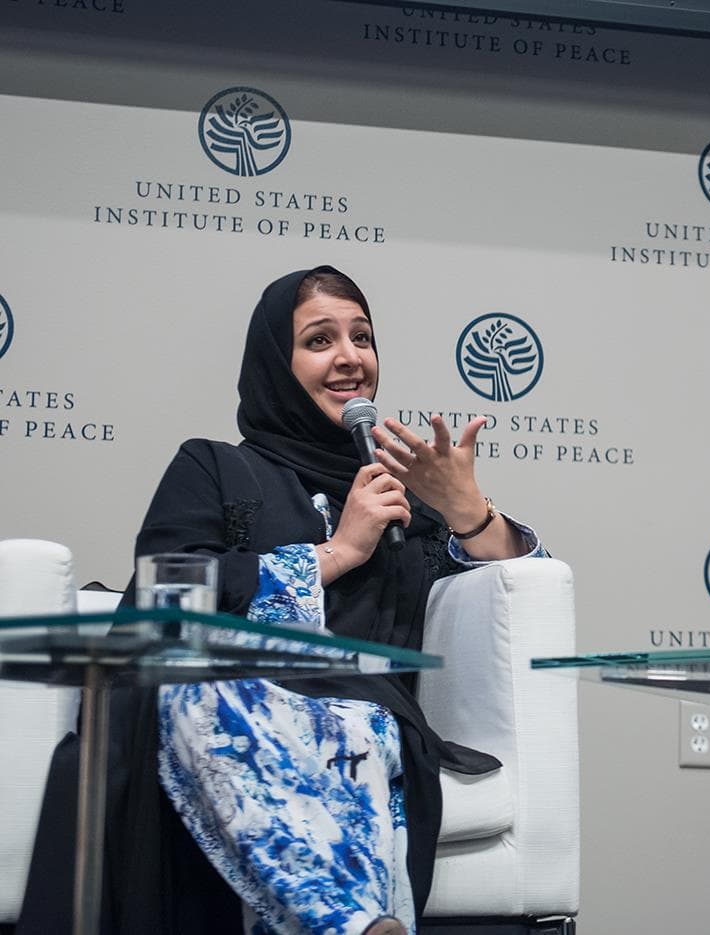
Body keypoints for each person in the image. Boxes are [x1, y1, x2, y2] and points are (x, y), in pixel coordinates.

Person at [20, 266, 544, 935]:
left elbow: (517, 589)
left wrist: (471, 513)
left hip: (357, 713)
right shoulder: (213, 468)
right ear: (276, 362)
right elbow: (165, 596)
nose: (350, 356)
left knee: (350, 728)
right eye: (320, 340)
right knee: (198, 687)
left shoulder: (403, 500)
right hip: (217, 700)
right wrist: (337, 552)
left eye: (362, 336)